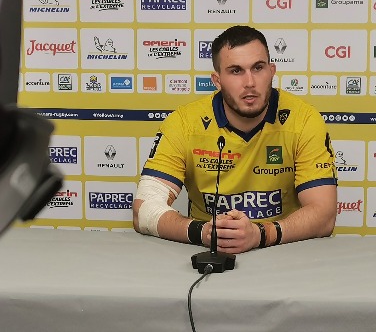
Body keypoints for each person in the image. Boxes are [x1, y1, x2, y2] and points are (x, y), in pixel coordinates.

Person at [133, 25, 337, 254]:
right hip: (209, 250)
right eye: (236, 71)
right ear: (217, 80)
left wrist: (261, 234)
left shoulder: (304, 120)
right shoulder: (184, 123)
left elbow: (324, 214)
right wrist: (204, 233)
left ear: (272, 71)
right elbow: (144, 210)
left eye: (258, 68)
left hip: (284, 251)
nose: (249, 82)